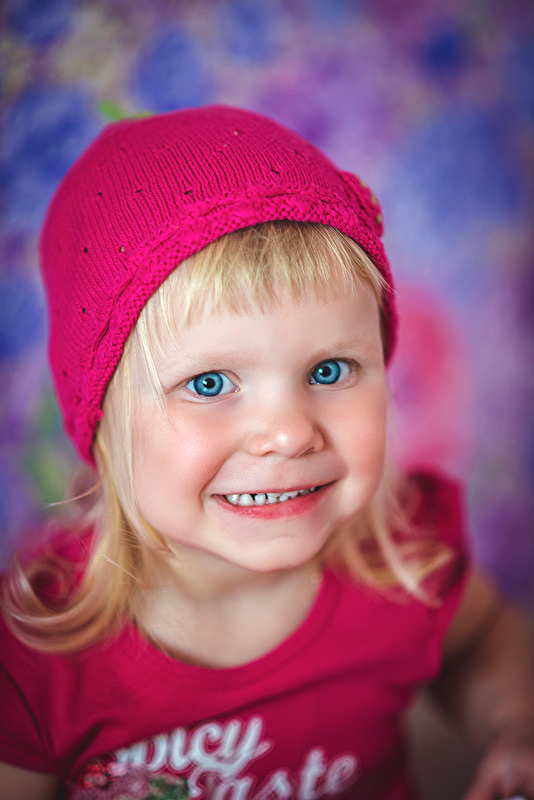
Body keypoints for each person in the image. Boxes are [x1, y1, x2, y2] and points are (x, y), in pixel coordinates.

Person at [0, 106, 533, 800]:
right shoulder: (40, 651)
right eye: (209, 384)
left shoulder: (405, 558)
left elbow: (482, 641)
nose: (287, 433)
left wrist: (516, 723)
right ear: (102, 421)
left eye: (330, 371)